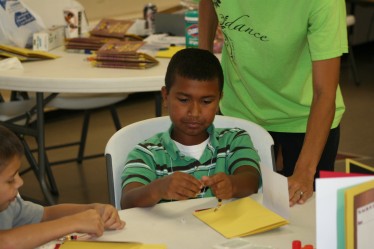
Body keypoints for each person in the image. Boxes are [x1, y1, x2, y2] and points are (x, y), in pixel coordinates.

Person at [198, 0, 348, 206]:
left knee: (305, 222)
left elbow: (324, 93)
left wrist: (305, 172)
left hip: (305, 119)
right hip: (240, 111)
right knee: (233, 211)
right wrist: (204, 55)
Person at [121, 48, 261, 209]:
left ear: (219, 100)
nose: (194, 112)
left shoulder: (234, 140)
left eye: (207, 101)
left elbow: (251, 180)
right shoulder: (147, 153)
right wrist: (158, 189)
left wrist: (233, 184)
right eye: (184, 100)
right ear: (165, 97)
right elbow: (127, 201)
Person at [0, 125, 125, 249]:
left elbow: (46, 215)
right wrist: (73, 222)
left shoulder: (8, 206)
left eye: (18, 174)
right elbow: (5, 242)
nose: (20, 182)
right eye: (10, 180)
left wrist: (92, 210)